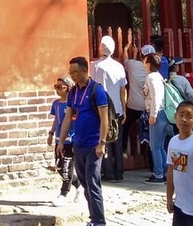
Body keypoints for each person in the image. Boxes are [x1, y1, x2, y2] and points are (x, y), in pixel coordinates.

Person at [56, 56, 109, 226]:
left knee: (93, 183)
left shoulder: (96, 91)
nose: (72, 76)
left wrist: (102, 143)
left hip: (94, 145)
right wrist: (61, 141)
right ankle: (93, 217)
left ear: (85, 71)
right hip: (78, 144)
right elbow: (67, 118)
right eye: (70, 72)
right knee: (85, 183)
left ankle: (99, 221)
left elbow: (104, 119)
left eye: (75, 72)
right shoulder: (73, 92)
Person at [93, 35, 127, 182]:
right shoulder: (119, 66)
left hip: (102, 108)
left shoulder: (95, 66)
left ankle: (108, 173)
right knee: (117, 140)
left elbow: (93, 87)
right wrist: (124, 109)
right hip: (117, 108)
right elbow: (122, 90)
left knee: (104, 139)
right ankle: (119, 172)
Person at [47, 76, 81, 205]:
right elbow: (56, 120)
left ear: (68, 88)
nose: (57, 89)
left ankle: (63, 194)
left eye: (60, 87)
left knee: (67, 168)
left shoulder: (72, 105)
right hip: (58, 140)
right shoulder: (56, 104)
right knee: (60, 168)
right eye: (55, 86)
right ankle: (78, 184)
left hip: (69, 140)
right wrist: (51, 133)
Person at [142, 51, 168, 183]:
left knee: (155, 146)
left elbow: (156, 96)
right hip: (162, 112)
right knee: (160, 146)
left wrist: (153, 114)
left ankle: (158, 174)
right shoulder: (158, 76)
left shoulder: (151, 77)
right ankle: (165, 171)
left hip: (157, 113)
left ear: (149, 63)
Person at [122, 44, 150, 163]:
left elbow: (125, 61)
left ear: (141, 55)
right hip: (148, 107)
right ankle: (148, 157)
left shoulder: (134, 65)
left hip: (134, 105)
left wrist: (125, 49)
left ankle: (123, 150)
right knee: (149, 132)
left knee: (125, 126)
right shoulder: (153, 69)